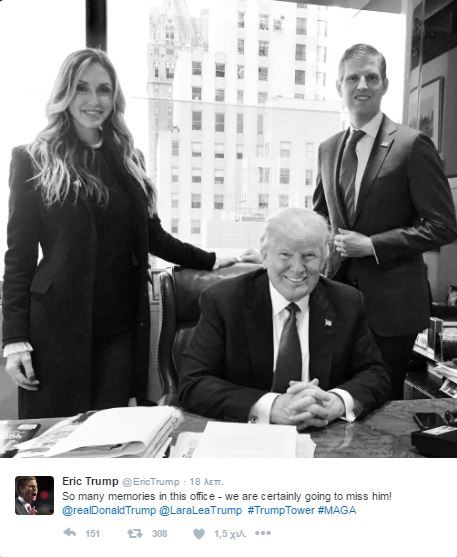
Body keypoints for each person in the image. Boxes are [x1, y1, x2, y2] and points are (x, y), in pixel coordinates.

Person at [2, 48, 235, 419]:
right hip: (56, 325)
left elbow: (152, 235)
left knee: (110, 433)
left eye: (104, 89)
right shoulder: (32, 158)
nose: (94, 100)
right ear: (65, 93)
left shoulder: (129, 159)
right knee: (57, 435)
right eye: (82, 88)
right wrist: (14, 339)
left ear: (115, 98)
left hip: (119, 328)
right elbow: (19, 256)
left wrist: (212, 259)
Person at [313, 43, 457, 399]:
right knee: (335, 398)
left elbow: (443, 224)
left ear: (385, 85)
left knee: (380, 401)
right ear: (339, 86)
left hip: (392, 308)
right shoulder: (327, 148)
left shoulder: (412, 145)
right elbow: (320, 215)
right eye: (352, 78)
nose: (362, 85)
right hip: (335, 299)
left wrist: (373, 245)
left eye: (371, 77)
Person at [179, 208, 391, 429]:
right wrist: (272, 407)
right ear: (265, 256)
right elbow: (193, 383)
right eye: (285, 255)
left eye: (309, 256)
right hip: (249, 434)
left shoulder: (347, 302)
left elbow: (376, 374)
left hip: (324, 433)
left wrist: (335, 402)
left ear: (324, 259)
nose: (297, 268)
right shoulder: (224, 301)